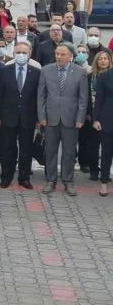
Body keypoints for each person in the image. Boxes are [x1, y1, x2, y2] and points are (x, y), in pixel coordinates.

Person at [38, 43, 89, 196]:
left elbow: (83, 98)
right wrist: (42, 116)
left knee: (69, 152)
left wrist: (80, 118)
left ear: (71, 56)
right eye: (57, 54)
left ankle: (68, 181)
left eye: (62, 54)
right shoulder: (46, 70)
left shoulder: (80, 72)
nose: (59, 57)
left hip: (71, 119)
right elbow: (41, 96)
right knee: (50, 151)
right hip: (51, 118)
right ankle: (51, 180)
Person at [0, 42, 40, 189]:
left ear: (29, 54)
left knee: (26, 149)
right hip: (8, 116)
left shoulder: (36, 72)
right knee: (7, 148)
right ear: (13, 54)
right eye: (18, 52)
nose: (21, 55)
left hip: (28, 117)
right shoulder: (4, 70)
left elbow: (38, 97)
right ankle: (6, 177)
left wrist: (38, 118)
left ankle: (24, 178)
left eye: (24, 52)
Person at [93, 51, 113, 195]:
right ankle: (104, 183)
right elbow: (98, 99)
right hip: (107, 119)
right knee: (106, 152)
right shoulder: (104, 76)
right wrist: (96, 119)